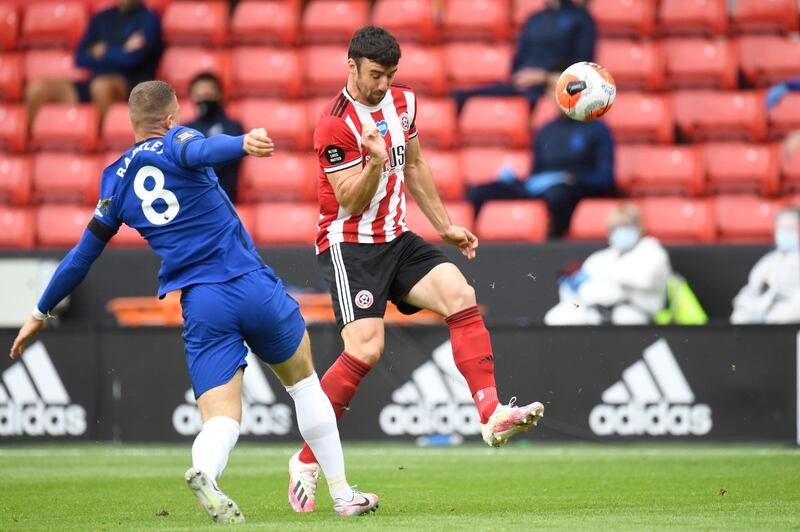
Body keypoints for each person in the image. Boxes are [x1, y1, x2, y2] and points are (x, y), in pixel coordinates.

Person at [8, 81, 378, 523]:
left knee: (221, 417)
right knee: (303, 384)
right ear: (169, 119)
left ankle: (205, 471)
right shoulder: (177, 141)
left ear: (131, 122)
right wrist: (242, 143)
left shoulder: (115, 181)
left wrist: (39, 312)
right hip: (249, 283)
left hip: (203, 303)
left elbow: (80, 256)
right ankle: (342, 495)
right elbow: (198, 152)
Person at [286, 26, 545, 513]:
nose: (383, 84)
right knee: (365, 349)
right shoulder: (334, 125)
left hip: (399, 238)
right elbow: (347, 200)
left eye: (390, 74)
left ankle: (490, 414)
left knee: (460, 294)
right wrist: (375, 164)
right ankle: (306, 459)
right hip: (351, 247)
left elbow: (417, 165)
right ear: (352, 66)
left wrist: (444, 225)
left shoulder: (404, 103)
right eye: (375, 75)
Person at [466, 112, 615, 238]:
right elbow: (535, 174)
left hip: (573, 189)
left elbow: (605, 178)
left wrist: (573, 178)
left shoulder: (598, 129)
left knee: (557, 196)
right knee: (480, 192)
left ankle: (554, 244)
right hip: (540, 188)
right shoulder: (546, 130)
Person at [25, 0, 163, 126]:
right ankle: (27, 147)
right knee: (38, 88)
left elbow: (131, 60)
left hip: (129, 85)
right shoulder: (101, 17)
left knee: (101, 87)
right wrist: (121, 49)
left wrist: (104, 51)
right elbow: (80, 57)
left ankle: (103, 144)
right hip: (93, 81)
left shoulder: (149, 19)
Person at [452, 0, 596, 110]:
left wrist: (544, 76)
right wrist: (519, 76)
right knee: (459, 96)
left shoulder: (581, 19)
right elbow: (518, 60)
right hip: (522, 86)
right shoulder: (534, 19)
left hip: (554, 88)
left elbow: (583, 65)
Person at [545, 203, 670, 325]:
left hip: (636, 311)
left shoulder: (652, 250)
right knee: (556, 317)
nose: (620, 232)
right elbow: (578, 292)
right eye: (615, 227)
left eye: (626, 226)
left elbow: (644, 279)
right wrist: (573, 286)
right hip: (596, 310)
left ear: (638, 227)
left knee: (625, 318)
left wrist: (601, 277)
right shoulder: (600, 258)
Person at [730, 208, 800, 324]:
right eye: (782, 229)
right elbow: (751, 291)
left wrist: (771, 317)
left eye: (791, 229)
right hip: (758, 315)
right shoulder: (767, 261)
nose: (786, 233)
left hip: (788, 320)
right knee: (739, 317)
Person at [184, 72, 244, 203]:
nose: (204, 99)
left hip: (224, 200)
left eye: (208, 94)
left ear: (219, 94)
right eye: (199, 95)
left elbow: (222, 157)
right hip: (192, 201)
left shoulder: (233, 127)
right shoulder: (185, 129)